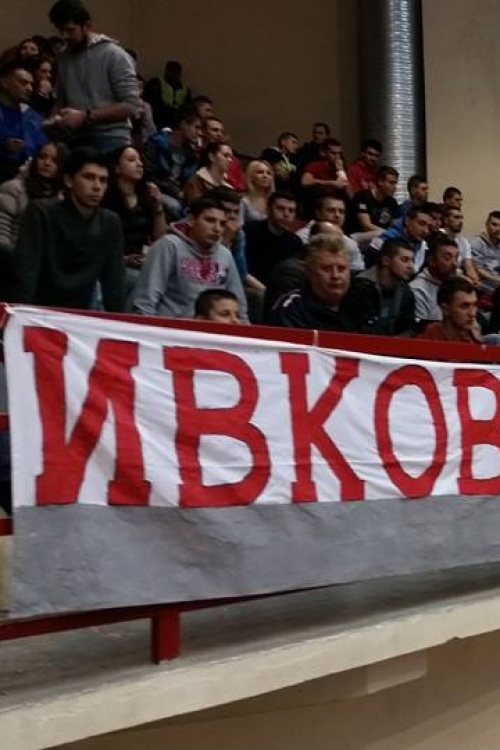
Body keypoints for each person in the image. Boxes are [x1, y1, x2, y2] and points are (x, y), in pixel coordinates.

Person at [10, 147, 125, 310]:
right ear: (69, 181)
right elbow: (25, 275)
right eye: (89, 177)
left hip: (78, 317)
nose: (97, 186)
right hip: (38, 313)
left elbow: (114, 284)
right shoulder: (40, 212)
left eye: (103, 180)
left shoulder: (110, 222)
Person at [131, 196, 247, 320]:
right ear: (191, 220)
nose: (217, 228)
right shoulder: (169, 246)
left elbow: (239, 303)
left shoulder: (225, 254)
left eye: (222, 224)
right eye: (210, 220)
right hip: (173, 327)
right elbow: (146, 299)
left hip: (212, 328)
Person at [48, 0, 140, 151]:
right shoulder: (63, 58)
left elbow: (131, 106)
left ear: (87, 25)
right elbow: (61, 101)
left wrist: (86, 116)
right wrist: (54, 122)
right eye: (60, 30)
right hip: (76, 139)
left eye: (70, 30)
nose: (65, 36)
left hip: (111, 138)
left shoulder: (114, 54)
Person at [103, 145, 166, 296]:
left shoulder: (146, 197)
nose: (139, 164)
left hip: (141, 261)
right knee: (142, 283)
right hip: (113, 262)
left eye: (140, 160)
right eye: (131, 160)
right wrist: (124, 259)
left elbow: (160, 238)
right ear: (116, 168)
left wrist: (158, 206)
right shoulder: (105, 198)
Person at [269, 233, 358, 330]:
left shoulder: (361, 304)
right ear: (309, 272)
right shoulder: (292, 308)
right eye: (326, 269)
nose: (335, 276)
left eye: (341, 269)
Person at [0, 141, 65, 253]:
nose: (47, 163)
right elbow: (2, 233)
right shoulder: (14, 188)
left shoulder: (63, 199)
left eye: (54, 160)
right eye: (42, 157)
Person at [144, 105, 201, 219]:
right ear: (183, 124)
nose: (199, 133)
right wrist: (175, 191)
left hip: (179, 194)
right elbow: (149, 173)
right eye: (196, 127)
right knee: (174, 207)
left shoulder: (191, 154)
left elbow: (189, 180)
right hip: (157, 189)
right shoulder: (156, 143)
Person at [350, 238, 416, 335]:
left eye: (412, 261)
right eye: (404, 260)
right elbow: (364, 328)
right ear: (386, 261)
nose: (411, 266)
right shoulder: (361, 286)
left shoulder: (405, 290)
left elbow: (409, 328)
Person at [0, 60, 46, 183]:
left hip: (28, 177)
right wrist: (3, 145)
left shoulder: (33, 116)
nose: (30, 89)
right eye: (23, 83)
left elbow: (41, 149)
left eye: (31, 84)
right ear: (4, 83)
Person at [244, 190, 303, 285]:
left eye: (291, 211)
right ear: (268, 210)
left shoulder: (295, 242)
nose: (286, 214)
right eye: (280, 209)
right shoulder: (249, 231)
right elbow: (243, 270)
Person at [296, 192, 364, 272]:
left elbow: (358, 271)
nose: (337, 215)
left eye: (341, 211)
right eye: (331, 210)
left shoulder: (351, 243)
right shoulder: (301, 237)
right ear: (318, 213)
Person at [366, 204, 433, 272]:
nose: (426, 231)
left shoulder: (422, 245)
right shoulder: (382, 241)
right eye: (421, 224)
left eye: (429, 227)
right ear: (407, 221)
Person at [410, 235, 459, 324]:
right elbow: (420, 329)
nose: (455, 264)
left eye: (456, 258)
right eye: (448, 258)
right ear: (431, 261)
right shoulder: (418, 289)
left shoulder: (454, 284)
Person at [418, 276, 481, 343]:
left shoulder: (471, 339)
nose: (472, 313)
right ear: (445, 309)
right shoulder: (427, 341)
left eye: (474, 305)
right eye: (464, 306)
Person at [201, 115, 246, 193]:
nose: (219, 134)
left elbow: (240, 188)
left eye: (221, 131)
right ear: (203, 132)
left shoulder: (233, 160)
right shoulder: (194, 155)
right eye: (214, 130)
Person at [352, 165, 400, 235]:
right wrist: (388, 233)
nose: (395, 187)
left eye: (395, 183)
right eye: (391, 183)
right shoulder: (362, 197)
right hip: (359, 236)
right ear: (380, 181)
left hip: (383, 237)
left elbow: (396, 225)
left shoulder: (392, 202)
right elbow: (366, 226)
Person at [183, 141, 233, 205]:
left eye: (231, 157)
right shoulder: (196, 182)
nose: (230, 160)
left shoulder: (229, 189)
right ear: (212, 157)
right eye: (225, 155)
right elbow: (196, 207)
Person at [440, 205, 479, 284]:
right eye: (456, 217)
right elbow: (443, 266)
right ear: (446, 220)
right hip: (442, 276)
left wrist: (475, 280)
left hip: (458, 279)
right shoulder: (438, 236)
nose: (460, 221)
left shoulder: (463, 241)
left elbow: (469, 266)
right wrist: (466, 279)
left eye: (461, 218)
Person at [471, 211, 500, 306]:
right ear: (487, 225)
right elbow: (478, 269)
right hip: (485, 288)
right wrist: (497, 279)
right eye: (494, 225)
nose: (498, 229)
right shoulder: (477, 243)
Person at [160, 60, 191, 127]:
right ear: (166, 71)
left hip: (177, 121)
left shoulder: (185, 90)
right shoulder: (158, 83)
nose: (173, 74)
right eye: (171, 71)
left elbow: (188, 108)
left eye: (176, 72)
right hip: (160, 118)